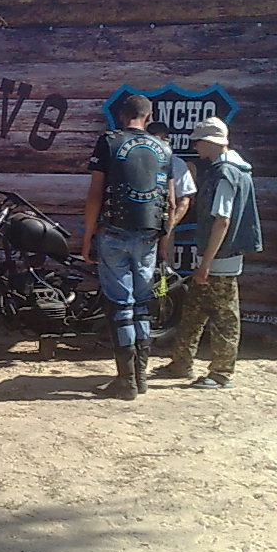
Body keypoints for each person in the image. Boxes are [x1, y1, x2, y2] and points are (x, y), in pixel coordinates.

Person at [155, 117, 262, 388]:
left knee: (224, 318)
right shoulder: (230, 169)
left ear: (210, 142)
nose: (195, 146)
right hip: (214, 258)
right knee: (193, 311)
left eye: (198, 141)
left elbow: (222, 220)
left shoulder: (225, 173)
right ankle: (181, 363)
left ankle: (221, 374)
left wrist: (206, 265)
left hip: (221, 260)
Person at [82, 94, 175, 400]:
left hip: (114, 231)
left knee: (121, 305)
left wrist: (87, 237)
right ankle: (141, 377)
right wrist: (163, 244)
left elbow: (95, 193)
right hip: (149, 235)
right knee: (141, 305)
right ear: (149, 117)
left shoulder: (108, 142)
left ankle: (126, 381)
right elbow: (171, 203)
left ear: (122, 116)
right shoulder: (164, 148)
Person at [147, 121, 197, 267]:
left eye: (162, 139)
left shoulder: (177, 163)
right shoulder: (136, 160)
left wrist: (169, 225)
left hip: (165, 227)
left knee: (162, 269)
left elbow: (185, 200)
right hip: (138, 227)